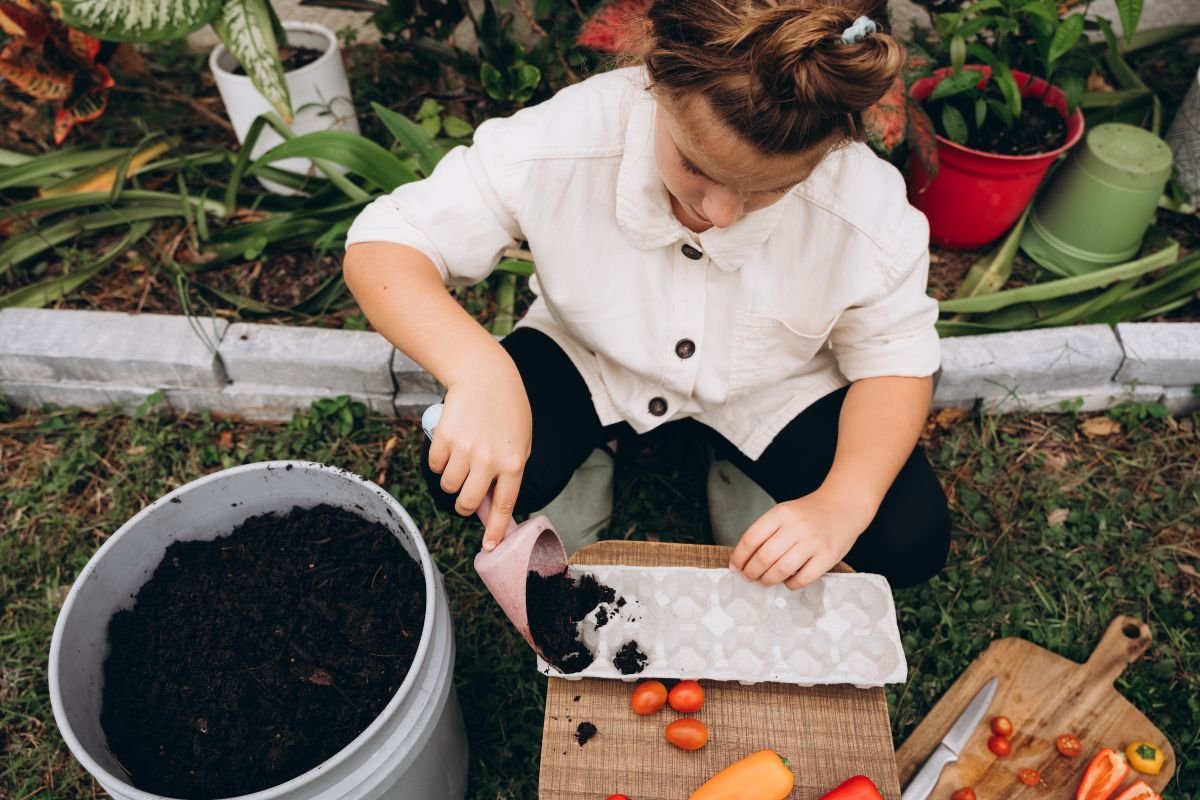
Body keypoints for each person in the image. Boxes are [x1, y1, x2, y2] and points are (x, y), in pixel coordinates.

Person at [343, 0, 952, 590]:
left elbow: (895, 362)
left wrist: (840, 501)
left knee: (907, 537)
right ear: (657, 78)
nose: (719, 213)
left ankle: (744, 464)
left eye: (767, 190)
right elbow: (386, 242)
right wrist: (481, 372)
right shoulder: (566, 136)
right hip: (590, 359)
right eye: (696, 167)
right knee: (457, 476)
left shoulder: (866, 208)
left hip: (775, 388)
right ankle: (592, 450)